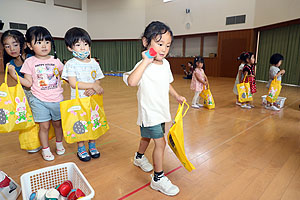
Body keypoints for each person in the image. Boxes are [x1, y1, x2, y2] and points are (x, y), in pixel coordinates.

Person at [123, 21, 186, 196]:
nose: (164, 49)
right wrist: (145, 62)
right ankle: (157, 178)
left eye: (167, 45)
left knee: (146, 137)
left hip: (161, 111)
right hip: (149, 112)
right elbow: (132, 82)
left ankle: (138, 157)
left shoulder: (165, 64)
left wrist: (176, 96)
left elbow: (167, 84)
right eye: (159, 44)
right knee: (161, 142)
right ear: (146, 42)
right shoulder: (143, 65)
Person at [20, 26, 65, 161]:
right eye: (39, 42)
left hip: (57, 99)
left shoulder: (56, 61)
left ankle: (59, 143)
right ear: (30, 45)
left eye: (47, 41)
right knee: (44, 126)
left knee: (58, 124)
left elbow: (65, 76)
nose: (44, 45)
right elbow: (28, 83)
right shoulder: (29, 62)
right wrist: (14, 76)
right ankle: (45, 149)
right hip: (38, 100)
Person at [62, 27, 104, 162]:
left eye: (85, 44)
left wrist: (94, 87)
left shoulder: (94, 63)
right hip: (78, 100)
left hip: (92, 99)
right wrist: (92, 85)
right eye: (78, 45)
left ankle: (92, 145)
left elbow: (97, 78)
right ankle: (81, 148)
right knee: (80, 124)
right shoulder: (70, 64)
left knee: (93, 122)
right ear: (70, 48)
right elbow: (73, 83)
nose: (83, 48)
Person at [0, 30, 42, 153]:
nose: (12, 48)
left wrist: (14, 74)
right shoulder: (11, 64)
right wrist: (12, 74)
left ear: (23, 45)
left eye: (15, 44)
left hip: (37, 92)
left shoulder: (31, 58)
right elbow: (22, 84)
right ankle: (32, 144)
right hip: (24, 94)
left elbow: (32, 81)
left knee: (39, 120)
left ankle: (42, 141)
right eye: (7, 46)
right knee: (27, 119)